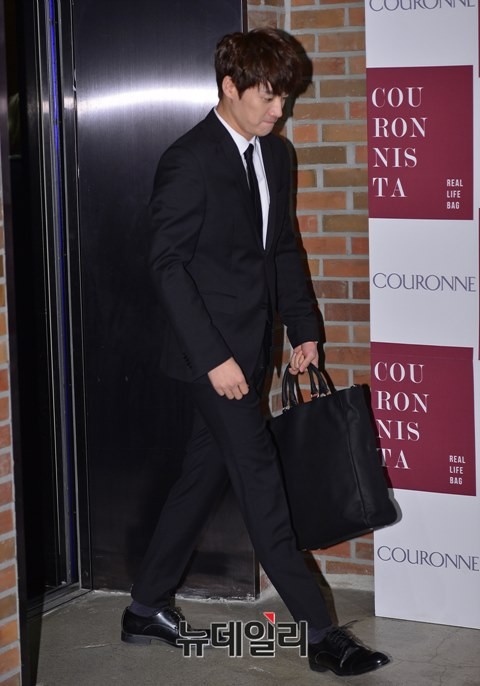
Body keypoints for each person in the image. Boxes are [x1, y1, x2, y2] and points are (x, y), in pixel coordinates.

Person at [121, 27, 389, 677]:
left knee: (202, 477)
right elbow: (167, 267)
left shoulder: (276, 154)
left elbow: (282, 248)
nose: (279, 109)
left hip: (254, 350)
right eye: (268, 96)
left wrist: (303, 329)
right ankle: (321, 635)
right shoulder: (189, 160)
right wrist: (214, 358)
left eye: (285, 98)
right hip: (211, 360)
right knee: (263, 483)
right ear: (229, 86)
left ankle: (145, 607)